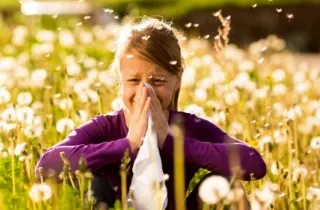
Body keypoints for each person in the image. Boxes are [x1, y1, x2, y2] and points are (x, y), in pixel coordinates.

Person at [35, 17, 267, 210]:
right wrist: (128, 144)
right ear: (121, 80)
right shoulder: (105, 127)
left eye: (157, 81)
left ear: (177, 81)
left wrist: (173, 143)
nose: (145, 91)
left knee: (230, 186)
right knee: (93, 184)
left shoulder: (189, 126)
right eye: (134, 80)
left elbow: (254, 164)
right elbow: (45, 166)